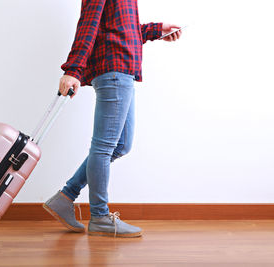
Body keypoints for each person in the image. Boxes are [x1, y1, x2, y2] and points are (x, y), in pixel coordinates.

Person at [43, 0, 182, 237]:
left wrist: (157, 29)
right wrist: (73, 70)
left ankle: (65, 197)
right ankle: (99, 217)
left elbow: (121, 28)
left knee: (120, 145)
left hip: (123, 68)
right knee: (105, 146)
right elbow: (89, 23)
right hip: (114, 67)